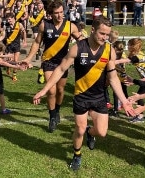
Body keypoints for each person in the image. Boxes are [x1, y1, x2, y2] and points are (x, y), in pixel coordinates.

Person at [32, 16, 135, 171]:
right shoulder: (77, 48)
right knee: (79, 129)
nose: (105, 38)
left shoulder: (109, 51)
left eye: (107, 35)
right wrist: (44, 90)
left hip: (99, 97)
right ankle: (77, 155)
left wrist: (124, 100)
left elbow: (113, 78)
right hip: (81, 96)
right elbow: (60, 69)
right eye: (102, 34)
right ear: (92, 30)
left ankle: (90, 132)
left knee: (101, 132)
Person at [23, 0, 81, 133]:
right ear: (51, 13)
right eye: (56, 13)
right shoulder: (45, 25)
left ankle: (57, 110)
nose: (59, 15)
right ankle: (52, 116)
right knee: (51, 90)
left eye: (61, 12)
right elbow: (37, 43)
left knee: (60, 90)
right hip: (48, 62)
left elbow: (80, 41)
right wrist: (28, 58)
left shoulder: (71, 26)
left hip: (63, 63)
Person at [122, 38, 145, 123]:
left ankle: (140, 116)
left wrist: (113, 62)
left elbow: (127, 60)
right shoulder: (140, 53)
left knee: (139, 95)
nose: (127, 47)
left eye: (129, 45)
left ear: (133, 46)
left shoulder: (136, 57)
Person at [0, 12, 27, 81]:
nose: (8, 21)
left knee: (16, 60)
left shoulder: (19, 24)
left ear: (13, 18)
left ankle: (14, 75)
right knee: (9, 60)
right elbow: (3, 35)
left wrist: (24, 41)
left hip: (17, 45)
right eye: (7, 20)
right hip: (8, 45)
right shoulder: (6, 26)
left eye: (9, 19)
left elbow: (24, 32)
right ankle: (8, 67)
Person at [109, 41, 128, 117]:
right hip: (124, 75)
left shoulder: (114, 55)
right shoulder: (123, 54)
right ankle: (128, 108)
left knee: (116, 93)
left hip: (117, 76)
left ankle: (116, 110)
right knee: (125, 93)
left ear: (115, 48)